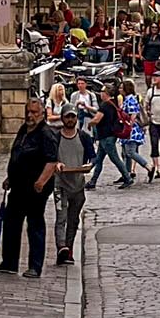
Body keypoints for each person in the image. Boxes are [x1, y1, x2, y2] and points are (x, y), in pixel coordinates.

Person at [0, 97, 60, 276]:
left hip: (35, 188)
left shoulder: (46, 133)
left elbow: (52, 160)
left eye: (34, 112)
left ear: (42, 113)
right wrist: (10, 177)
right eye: (28, 112)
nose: (30, 116)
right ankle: (9, 262)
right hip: (18, 186)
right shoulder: (24, 130)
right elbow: (17, 155)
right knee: (11, 223)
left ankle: (35, 266)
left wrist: (41, 181)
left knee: (35, 224)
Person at [52, 106, 94, 262]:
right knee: (61, 216)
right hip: (60, 183)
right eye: (67, 117)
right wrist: (56, 164)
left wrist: (88, 166)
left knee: (73, 219)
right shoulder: (56, 138)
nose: (70, 120)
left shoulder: (83, 137)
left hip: (78, 184)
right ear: (62, 118)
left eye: (73, 117)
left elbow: (93, 157)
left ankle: (68, 249)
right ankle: (61, 247)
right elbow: (49, 158)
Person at [87, 84, 135, 190]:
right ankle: (93, 181)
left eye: (102, 92)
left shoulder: (104, 105)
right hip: (108, 136)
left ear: (106, 93)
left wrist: (90, 124)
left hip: (106, 136)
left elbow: (97, 119)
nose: (100, 94)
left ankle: (127, 178)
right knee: (99, 159)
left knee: (115, 158)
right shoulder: (113, 104)